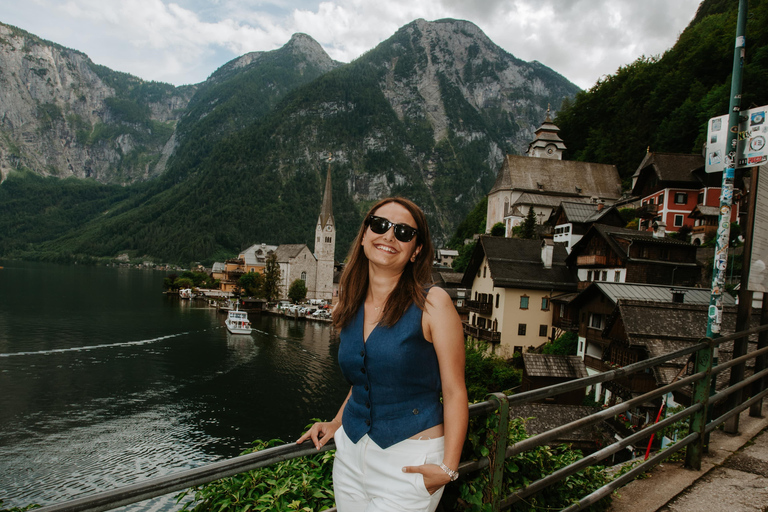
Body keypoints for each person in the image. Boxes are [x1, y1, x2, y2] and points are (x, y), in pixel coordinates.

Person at [297, 197, 468, 512]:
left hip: (410, 461)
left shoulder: (434, 304)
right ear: (364, 236)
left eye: (403, 232)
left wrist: (447, 468)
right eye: (379, 225)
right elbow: (364, 378)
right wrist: (336, 422)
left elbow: (455, 391)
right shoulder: (349, 305)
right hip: (349, 453)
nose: (389, 236)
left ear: (416, 250)